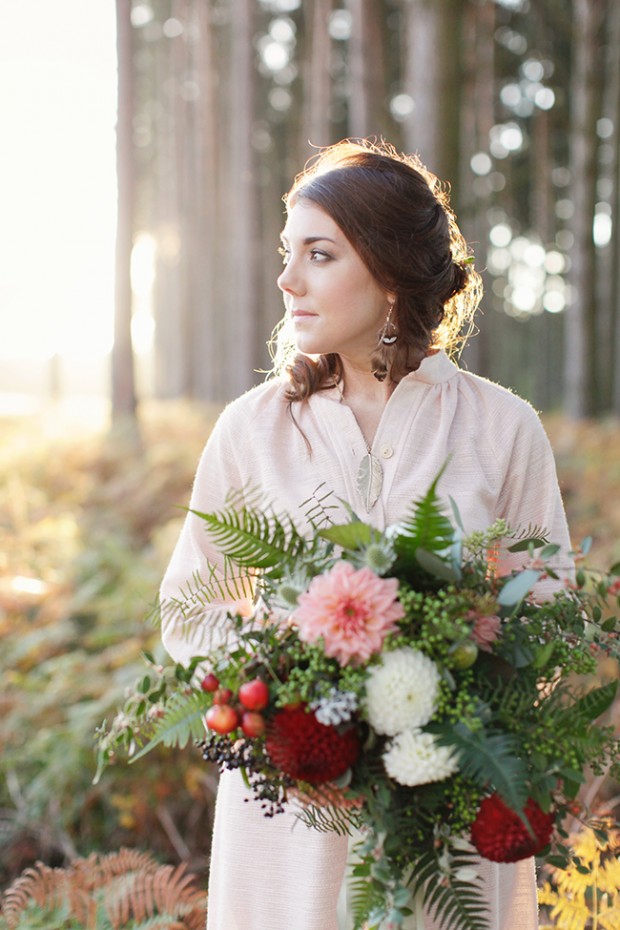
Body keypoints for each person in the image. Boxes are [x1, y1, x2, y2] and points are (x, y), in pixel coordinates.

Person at [160, 139, 571, 930]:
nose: (288, 280)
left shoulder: (501, 426)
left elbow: (546, 618)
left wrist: (447, 700)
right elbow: (188, 609)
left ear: (387, 273)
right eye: (289, 254)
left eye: (319, 254)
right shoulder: (252, 430)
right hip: (288, 818)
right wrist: (288, 695)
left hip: (442, 821)